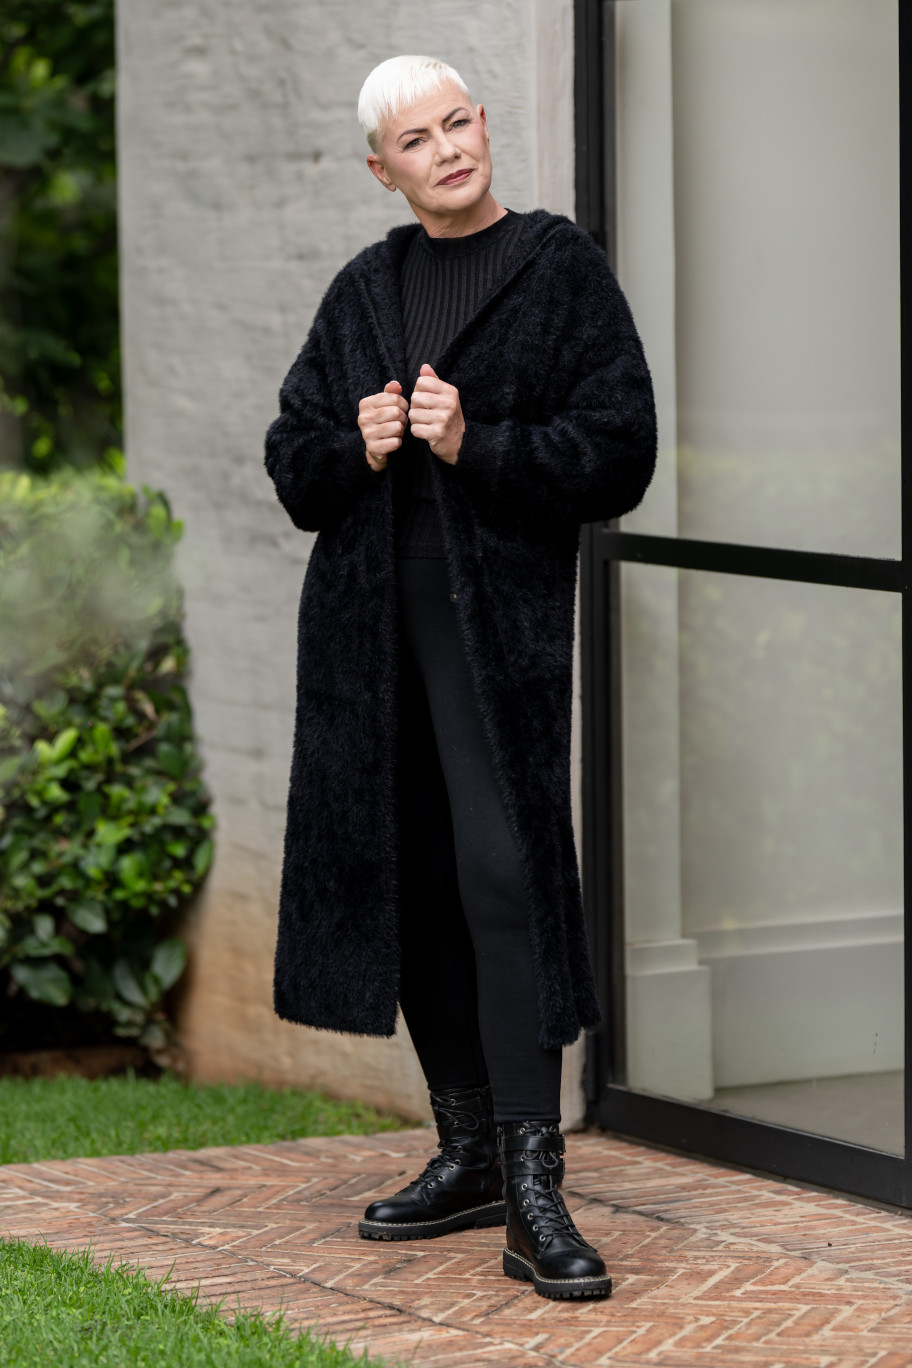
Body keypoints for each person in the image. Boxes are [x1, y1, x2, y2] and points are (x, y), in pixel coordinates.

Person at [263, 53, 657, 1302]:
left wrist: (477, 443)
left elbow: (621, 451)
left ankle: (536, 1187)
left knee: (501, 873)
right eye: (416, 140)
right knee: (415, 879)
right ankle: (470, 1149)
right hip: (369, 647)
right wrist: (356, 444)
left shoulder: (560, 270)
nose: (447, 150)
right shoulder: (363, 290)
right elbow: (292, 462)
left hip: (498, 647)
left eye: (457, 123)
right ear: (381, 170)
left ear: (483, 125)